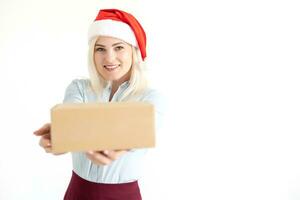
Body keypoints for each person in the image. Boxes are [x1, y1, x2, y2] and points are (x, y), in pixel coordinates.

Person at [33, 8, 164, 200]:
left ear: (133, 51)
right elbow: (72, 116)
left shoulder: (151, 99)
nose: (109, 58)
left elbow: (140, 131)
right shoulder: (79, 88)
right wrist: (60, 137)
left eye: (119, 47)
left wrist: (112, 144)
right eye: (100, 49)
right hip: (79, 193)